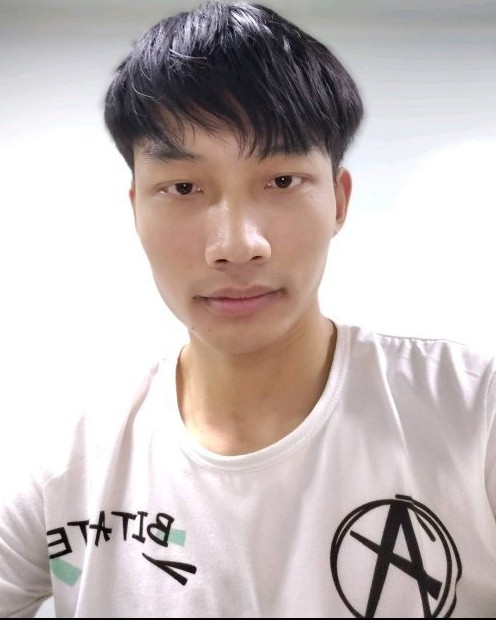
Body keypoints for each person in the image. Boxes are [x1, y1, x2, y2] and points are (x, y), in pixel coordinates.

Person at [1, 1, 495, 617]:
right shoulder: (70, 461)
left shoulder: (474, 412)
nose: (237, 245)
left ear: (339, 201)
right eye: (184, 188)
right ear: (136, 207)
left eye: (282, 181)